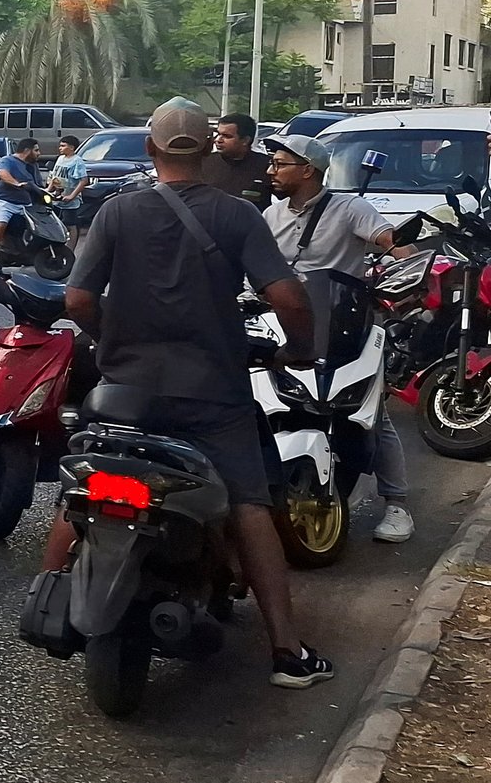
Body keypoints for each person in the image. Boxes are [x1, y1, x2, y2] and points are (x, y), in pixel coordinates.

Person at [53, 97, 334, 689]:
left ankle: (49, 603)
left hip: (125, 389)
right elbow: (288, 297)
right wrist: (301, 349)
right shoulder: (236, 215)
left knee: (83, 483)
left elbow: (77, 301)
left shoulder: (115, 213)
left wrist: (111, 340)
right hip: (212, 392)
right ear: (209, 151)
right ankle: (286, 650)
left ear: (150, 150)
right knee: (249, 503)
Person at [262, 134, 417, 544]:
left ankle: (397, 503)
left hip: (343, 326)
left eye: (280, 164)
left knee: (370, 413)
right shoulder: (271, 216)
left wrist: (411, 275)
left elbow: (393, 242)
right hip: (280, 325)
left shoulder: (350, 209)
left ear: (308, 170)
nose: (271, 171)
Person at [0, 137, 42, 262]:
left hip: (26, 205)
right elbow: (2, 173)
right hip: (3, 202)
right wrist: (16, 184)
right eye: (36, 150)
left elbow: (39, 186)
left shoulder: (33, 166)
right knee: (0, 226)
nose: (39, 154)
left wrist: (54, 190)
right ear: (27, 150)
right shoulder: (7, 160)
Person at [206, 113, 274, 211]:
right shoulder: (204, 163)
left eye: (227, 136)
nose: (218, 140)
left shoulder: (268, 166)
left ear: (245, 140)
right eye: (218, 134)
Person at [52, 135, 92, 246]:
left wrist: (72, 196)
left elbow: (83, 181)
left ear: (72, 147)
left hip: (70, 201)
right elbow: (54, 177)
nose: (60, 148)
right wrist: (49, 190)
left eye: (63, 146)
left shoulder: (77, 161)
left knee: (70, 224)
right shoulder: (60, 159)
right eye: (60, 146)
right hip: (57, 198)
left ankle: (70, 249)